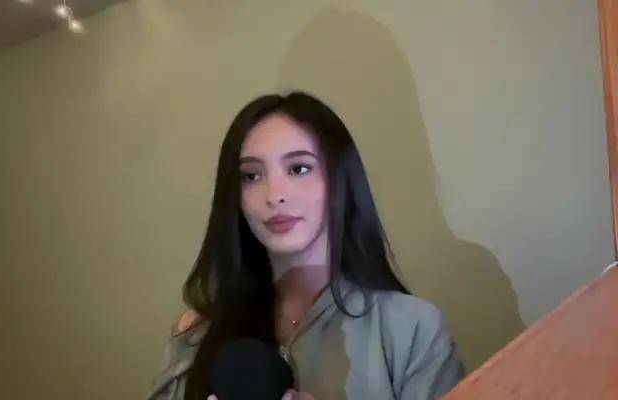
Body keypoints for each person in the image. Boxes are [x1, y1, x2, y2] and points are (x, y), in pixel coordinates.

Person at [146, 92, 465, 400]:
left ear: (339, 178)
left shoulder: (412, 328)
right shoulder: (197, 334)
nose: (275, 195)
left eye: (299, 169)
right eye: (251, 176)